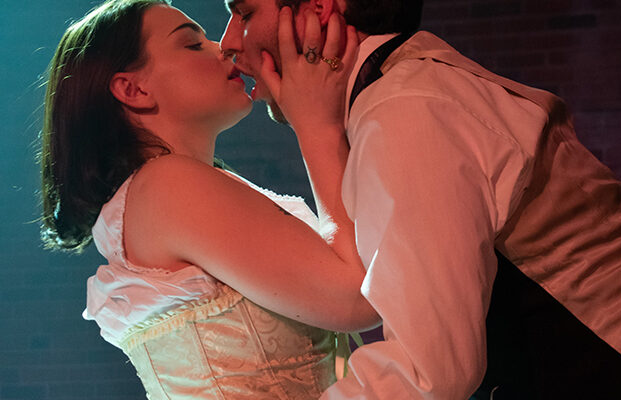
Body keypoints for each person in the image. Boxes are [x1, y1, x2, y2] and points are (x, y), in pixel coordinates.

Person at [220, 0, 621, 398]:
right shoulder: (410, 81)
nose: (227, 43)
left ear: (318, 6)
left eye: (243, 14)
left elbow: (428, 370)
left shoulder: (404, 109)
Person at [40, 0, 380, 398]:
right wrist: (316, 127)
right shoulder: (166, 186)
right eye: (192, 44)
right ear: (133, 89)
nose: (225, 46)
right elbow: (359, 296)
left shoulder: (170, 190)